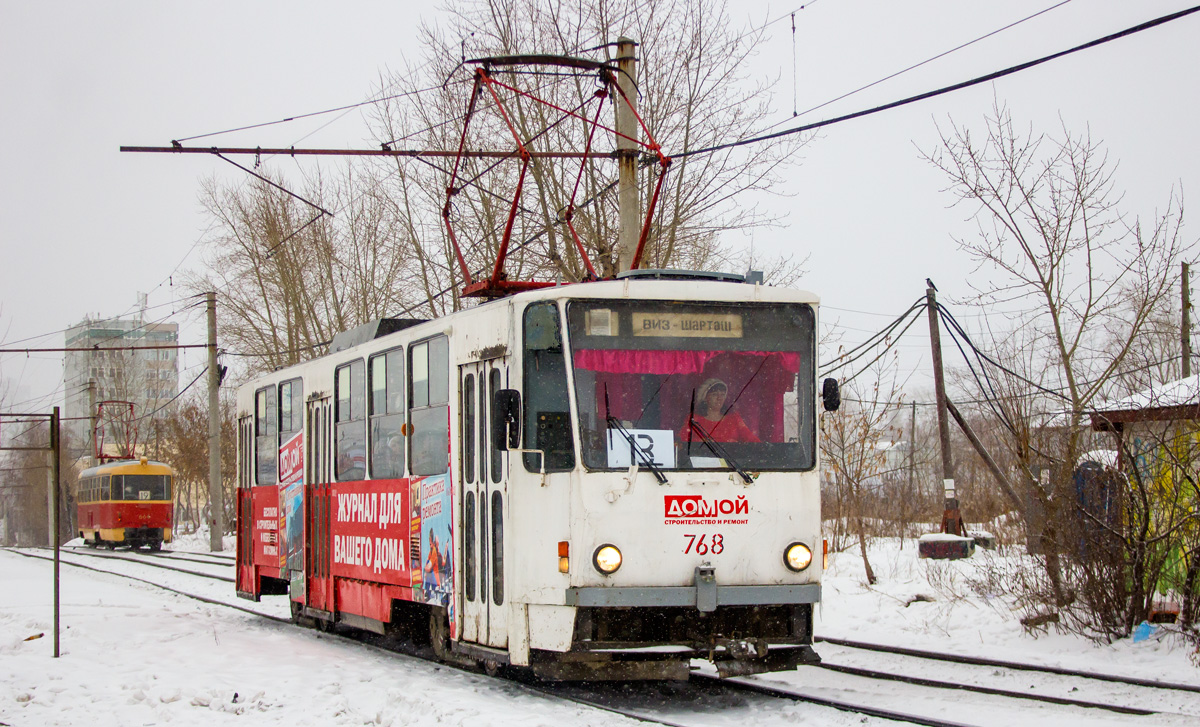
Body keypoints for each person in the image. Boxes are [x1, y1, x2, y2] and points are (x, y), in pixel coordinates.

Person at [680, 378, 759, 443]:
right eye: (714, 394)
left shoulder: (734, 418)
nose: (719, 398)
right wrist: (703, 442)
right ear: (705, 398)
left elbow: (751, 439)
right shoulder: (694, 419)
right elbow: (683, 442)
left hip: (731, 461)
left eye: (722, 394)